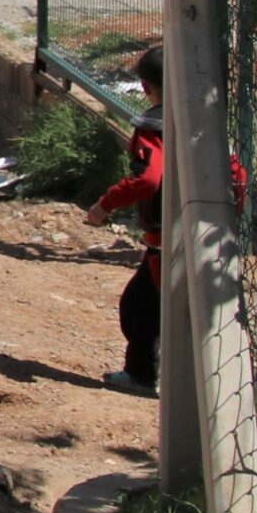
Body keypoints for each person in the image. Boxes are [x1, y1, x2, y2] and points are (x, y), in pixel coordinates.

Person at [86, 46, 166, 396]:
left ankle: (143, 375)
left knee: (139, 308)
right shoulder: (209, 122)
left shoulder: (154, 128)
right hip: (207, 233)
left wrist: (106, 204)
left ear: (146, 88)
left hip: (168, 238)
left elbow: (148, 179)